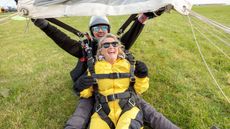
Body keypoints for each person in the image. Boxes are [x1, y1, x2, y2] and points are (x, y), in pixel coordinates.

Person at [33, 9, 179, 129]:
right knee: (80, 115)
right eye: (97, 28)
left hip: (122, 90)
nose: (101, 31)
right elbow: (63, 40)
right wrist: (43, 24)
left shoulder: (114, 44)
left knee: (146, 110)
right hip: (92, 89)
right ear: (91, 31)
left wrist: (143, 18)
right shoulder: (85, 48)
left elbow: (130, 35)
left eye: (104, 28)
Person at [80, 33, 149, 129]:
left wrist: (142, 77)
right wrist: (81, 86)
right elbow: (86, 93)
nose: (111, 46)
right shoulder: (94, 68)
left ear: (119, 48)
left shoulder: (129, 65)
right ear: (101, 51)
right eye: (106, 45)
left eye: (114, 44)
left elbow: (139, 89)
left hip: (128, 108)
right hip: (102, 112)